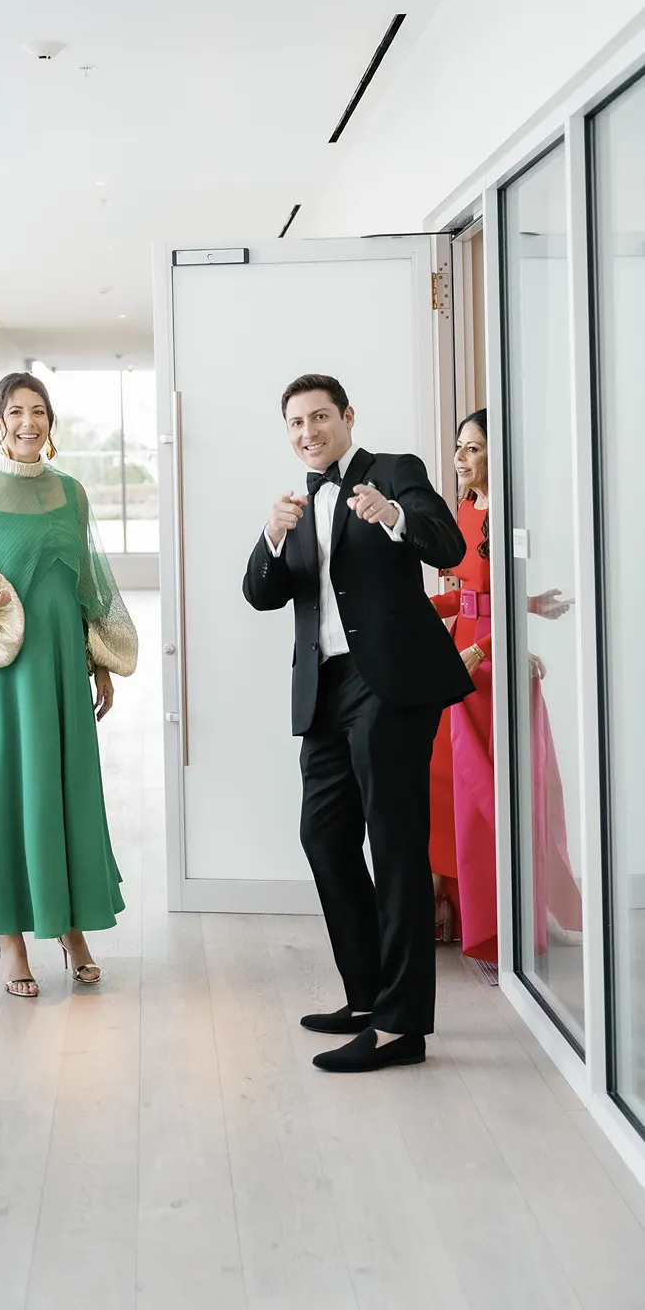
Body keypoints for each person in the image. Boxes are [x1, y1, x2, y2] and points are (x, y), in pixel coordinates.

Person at [243, 373, 472, 1073]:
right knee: (323, 834)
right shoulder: (294, 501)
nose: (307, 432)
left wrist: (392, 517)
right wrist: (270, 537)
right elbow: (259, 594)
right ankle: (369, 996)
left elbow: (446, 547)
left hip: (391, 685)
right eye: (294, 424)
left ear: (346, 416)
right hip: (325, 690)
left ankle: (402, 1028)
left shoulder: (393, 472)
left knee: (394, 844)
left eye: (318, 417)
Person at [0, 372, 138, 997]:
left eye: (39, 412)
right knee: (6, 794)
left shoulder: (73, 494)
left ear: (51, 422)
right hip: (2, 678)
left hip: (63, 673)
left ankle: (71, 926)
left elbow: (90, 589)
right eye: (16, 412)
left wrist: (98, 660)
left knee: (67, 792)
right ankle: (10, 940)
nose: (29, 423)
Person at [429, 409, 581, 960]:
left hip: (487, 665)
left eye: (472, 448)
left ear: (500, 453)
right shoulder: (466, 512)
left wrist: (496, 645)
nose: (460, 459)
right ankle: (454, 909)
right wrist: (408, 609)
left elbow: (504, 600)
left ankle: (505, 929)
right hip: (460, 657)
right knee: (443, 785)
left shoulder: (514, 519)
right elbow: (469, 596)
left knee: (491, 796)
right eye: (459, 448)